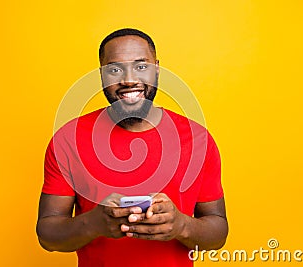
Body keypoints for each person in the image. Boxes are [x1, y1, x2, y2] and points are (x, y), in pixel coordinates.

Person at [36, 28, 228, 267]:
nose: (128, 79)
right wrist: (95, 223)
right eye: (115, 69)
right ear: (101, 75)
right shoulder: (68, 139)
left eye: (141, 66)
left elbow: (218, 232)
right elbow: (47, 234)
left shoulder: (198, 139)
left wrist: (181, 225)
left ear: (157, 69)